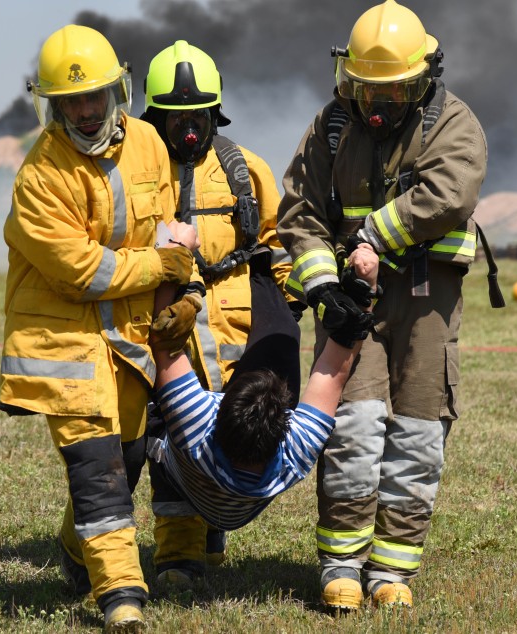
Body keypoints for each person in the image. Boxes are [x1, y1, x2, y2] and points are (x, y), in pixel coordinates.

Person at [277, 0, 488, 611]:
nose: (376, 105)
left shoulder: (453, 122)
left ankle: (393, 570)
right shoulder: (331, 128)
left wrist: (376, 234)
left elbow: (451, 191)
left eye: (392, 92)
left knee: (420, 430)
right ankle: (340, 565)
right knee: (354, 427)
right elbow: (301, 212)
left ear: (422, 79)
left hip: (428, 299)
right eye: (365, 90)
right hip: (351, 302)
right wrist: (321, 286)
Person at [0, 24, 200, 633]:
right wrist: (157, 266)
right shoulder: (38, 176)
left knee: (130, 454)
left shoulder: (149, 144)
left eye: (94, 99)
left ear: (119, 93)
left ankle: (72, 550)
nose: (85, 113)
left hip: (132, 341)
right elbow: (79, 271)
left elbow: (170, 233)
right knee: (97, 468)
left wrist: (184, 292)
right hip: (67, 346)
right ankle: (120, 595)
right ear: (52, 106)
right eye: (70, 102)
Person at [138, 41, 301, 587]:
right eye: (175, 117)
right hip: (165, 328)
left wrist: (295, 299)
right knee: (166, 439)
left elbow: (277, 244)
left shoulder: (243, 169)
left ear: (216, 113)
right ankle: (177, 556)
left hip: (236, 335)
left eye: (198, 116)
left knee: (229, 433)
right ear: (153, 115)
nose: (188, 128)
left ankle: (212, 529)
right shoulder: (139, 171)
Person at [145, 243, 377, 557]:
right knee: (283, 335)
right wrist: (364, 291)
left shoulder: (195, 425)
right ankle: (262, 271)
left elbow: (164, 340)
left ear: (219, 409)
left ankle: (199, 530)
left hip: (185, 478)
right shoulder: (295, 449)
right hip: (240, 506)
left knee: (151, 402)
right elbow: (335, 368)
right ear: (284, 426)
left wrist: (174, 257)